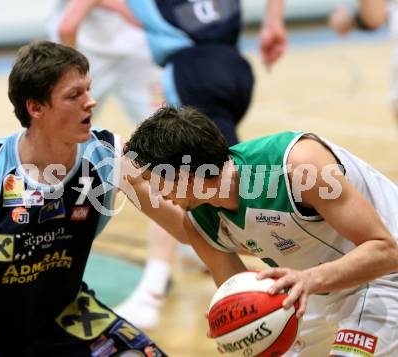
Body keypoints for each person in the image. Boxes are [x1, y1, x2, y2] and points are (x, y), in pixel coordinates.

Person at [0, 40, 189, 356]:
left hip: (64, 310)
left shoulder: (107, 157)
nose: (90, 102)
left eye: (88, 90)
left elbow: (183, 227)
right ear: (35, 107)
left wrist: (256, 238)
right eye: (74, 95)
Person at [126, 105, 398, 356]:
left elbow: (386, 251)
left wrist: (309, 279)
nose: (155, 192)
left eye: (154, 180)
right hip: (313, 289)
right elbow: (238, 295)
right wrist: (236, 327)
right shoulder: (199, 223)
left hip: (381, 274)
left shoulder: (298, 166)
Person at [114, 0, 287, 329]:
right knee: (216, 175)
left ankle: (153, 289)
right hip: (235, 65)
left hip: (191, 65)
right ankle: (223, 254)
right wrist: (273, 22)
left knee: (173, 170)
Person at [48, 0, 178, 330]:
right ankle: (35, 257)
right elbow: (68, 22)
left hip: (140, 44)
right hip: (85, 42)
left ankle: (155, 283)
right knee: (51, 147)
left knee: (168, 152)